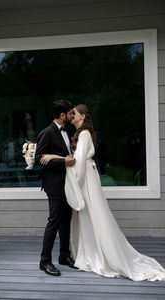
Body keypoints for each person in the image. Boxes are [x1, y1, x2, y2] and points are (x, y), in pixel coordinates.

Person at [40, 104, 165, 281]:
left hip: (84, 181)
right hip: (84, 180)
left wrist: (66, 172)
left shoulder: (82, 134)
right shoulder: (75, 133)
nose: (71, 116)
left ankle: (91, 254)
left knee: (91, 217)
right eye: (70, 113)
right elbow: (73, 159)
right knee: (88, 217)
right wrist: (57, 159)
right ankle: (56, 258)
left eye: (74, 114)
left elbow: (78, 163)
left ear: (83, 116)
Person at [35, 99, 77, 277]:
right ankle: (45, 261)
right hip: (54, 185)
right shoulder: (47, 132)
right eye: (70, 113)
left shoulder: (68, 131)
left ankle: (64, 256)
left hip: (68, 183)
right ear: (62, 115)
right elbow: (39, 158)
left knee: (65, 221)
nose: (72, 116)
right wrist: (63, 161)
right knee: (54, 221)